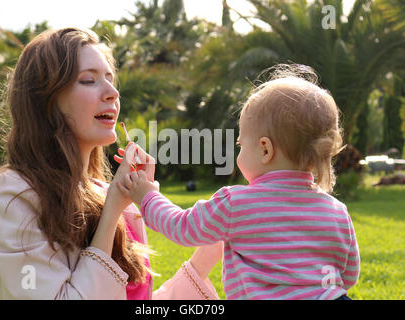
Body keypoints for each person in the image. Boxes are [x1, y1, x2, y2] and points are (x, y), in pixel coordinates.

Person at [0, 27, 222, 300]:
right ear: (46, 100)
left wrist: (206, 257)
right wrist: (113, 209)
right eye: (89, 80)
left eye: (110, 79)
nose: (113, 92)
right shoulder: (9, 196)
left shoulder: (105, 193)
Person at [117, 65, 361, 300]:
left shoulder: (236, 203)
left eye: (241, 145)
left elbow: (182, 227)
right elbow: (348, 275)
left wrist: (147, 195)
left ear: (265, 149)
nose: (238, 153)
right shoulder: (338, 212)